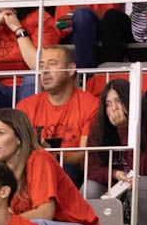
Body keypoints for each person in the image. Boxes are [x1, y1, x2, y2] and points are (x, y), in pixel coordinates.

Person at [15, 46, 94, 180]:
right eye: (41, 65)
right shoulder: (26, 106)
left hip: (71, 171)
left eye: (52, 64)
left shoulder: (90, 105)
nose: (44, 71)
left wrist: (55, 156)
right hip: (32, 168)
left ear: (70, 69)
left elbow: (84, 154)